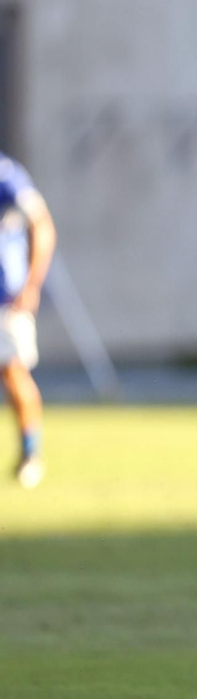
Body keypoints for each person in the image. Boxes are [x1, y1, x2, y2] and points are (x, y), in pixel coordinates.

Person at [0, 153, 57, 489]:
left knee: (13, 370)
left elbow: (42, 224)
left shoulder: (6, 174)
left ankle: (30, 453)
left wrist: (32, 284)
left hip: (5, 297)